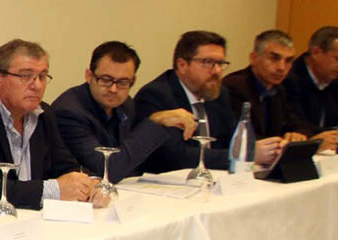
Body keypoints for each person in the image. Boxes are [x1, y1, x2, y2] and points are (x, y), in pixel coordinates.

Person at [0, 39, 91, 208]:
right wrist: (51, 190)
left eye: (42, 76)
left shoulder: (44, 114)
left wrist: (88, 185)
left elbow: (66, 167)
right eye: (26, 76)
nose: (37, 85)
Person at [135, 30, 281, 173]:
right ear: (182, 65)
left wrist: (272, 148)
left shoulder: (218, 93)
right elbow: (175, 158)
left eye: (220, 63)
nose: (217, 71)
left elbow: (231, 139)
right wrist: (243, 155)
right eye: (208, 62)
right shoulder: (156, 95)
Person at [50, 41, 196, 182]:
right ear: (89, 76)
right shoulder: (69, 111)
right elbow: (108, 170)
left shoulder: (126, 104)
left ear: (133, 81)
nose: (113, 89)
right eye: (106, 79)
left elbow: (132, 162)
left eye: (123, 82)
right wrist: (154, 122)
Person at [222, 29, 332, 149]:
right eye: (274, 58)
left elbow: (297, 124)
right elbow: (242, 137)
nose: (281, 67)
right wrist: (291, 143)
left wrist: (298, 135)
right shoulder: (234, 86)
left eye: (288, 61)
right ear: (253, 58)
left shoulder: (279, 90)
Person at [281, 25, 338, 142]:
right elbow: (296, 125)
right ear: (316, 53)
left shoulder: (334, 81)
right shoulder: (288, 79)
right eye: (337, 59)